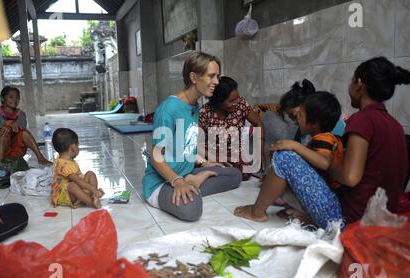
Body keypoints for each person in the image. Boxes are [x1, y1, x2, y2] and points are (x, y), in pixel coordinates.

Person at [142, 52, 242, 222]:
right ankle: (189, 185)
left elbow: (185, 145)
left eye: (217, 76)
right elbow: (155, 156)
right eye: (211, 76)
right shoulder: (169, 109)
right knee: (192, 209)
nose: (217, 81)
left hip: (185, 172)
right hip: (162, 182)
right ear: (194, 78)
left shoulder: (194, 105)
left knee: (234, 175)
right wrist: (177, 181)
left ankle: (192, 182)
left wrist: (205, 163)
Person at [234, 92, 344, 230]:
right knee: (285, 168)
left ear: (314, 122)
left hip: (330, 210)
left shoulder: (325, 138)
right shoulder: (317, 138)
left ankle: (257, 212)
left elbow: (324, 163)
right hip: (327, 207)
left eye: (300, 116)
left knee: (284, 157)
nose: (296, 121)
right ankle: (305, 216)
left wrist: (294, 146)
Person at [329, 57, 410, 224]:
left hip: (355, 218)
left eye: (352, 80)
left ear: (359, 84)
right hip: (384, 218)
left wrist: (329, 166)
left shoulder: (362, 119)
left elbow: (350, 177)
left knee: (286, 159)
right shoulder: (395, 125)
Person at [199, 76, 264, 181]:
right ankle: (215, 170)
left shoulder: (241, 105)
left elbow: (258, 123)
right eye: (231, 100)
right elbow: (197, 142)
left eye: (237, 98)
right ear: (219, 101)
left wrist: (260, 151)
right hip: (211, 153)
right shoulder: (205, 111)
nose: (236, 102)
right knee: (193, 162)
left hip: (233, 153)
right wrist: (214, 158)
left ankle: (215, 173)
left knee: (245, 171)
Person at [0, 86, 52, 165]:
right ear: (3, 98)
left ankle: (40, 158)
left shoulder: (21, 114)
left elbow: (22, 128)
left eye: (17, 98)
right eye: (11, 97)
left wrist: (11, 127)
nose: (15, 100)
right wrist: (7, 124)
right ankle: (0, 162)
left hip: (16, 150)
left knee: (24, 132)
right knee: (3, 131)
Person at [51, 128, 104, 209]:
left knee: (90, 173)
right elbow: (77, 181)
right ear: (73, 148)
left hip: (75, 188)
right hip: (64, 194)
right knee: (72, 185)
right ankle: (91, 202)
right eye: (77, 145)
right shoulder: (65, 165)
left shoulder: (67, 160)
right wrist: (92, 188)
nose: (78, 147)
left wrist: (93, 190)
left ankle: (93, 195)